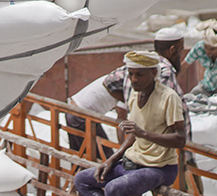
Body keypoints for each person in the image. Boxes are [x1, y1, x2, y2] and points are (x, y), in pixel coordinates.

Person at [74, 51, 186, 196]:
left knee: (113, 189)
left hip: (159, 167)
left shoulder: (168, 97)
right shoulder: (134, 94)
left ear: (153, 73)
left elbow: (180, 139)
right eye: (130, 74)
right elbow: (134, 133)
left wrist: (143, 134)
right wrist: (112, 159)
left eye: (139, 74)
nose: (133, 80)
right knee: (81, 180)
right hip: (132, 162)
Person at [67, 67, 127, 158]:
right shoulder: (124, 88)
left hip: (72, 111)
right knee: (105, 157)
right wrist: (123, 150)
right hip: (82, 117)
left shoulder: (114, 78)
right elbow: (121, 122)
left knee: (81, 156)